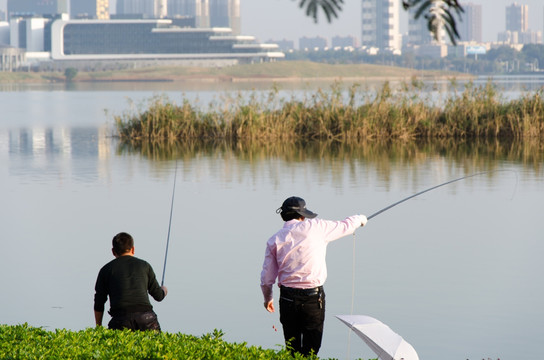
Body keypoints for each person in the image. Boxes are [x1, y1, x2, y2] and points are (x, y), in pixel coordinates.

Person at [260, 196, 367, 356]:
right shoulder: (317, 227)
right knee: (311, 350)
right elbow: (346, 225)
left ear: (284, 216)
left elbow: (266, 279)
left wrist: (268, 299)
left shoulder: (274, 239)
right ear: (303, 216)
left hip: (287, 299)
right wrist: (361, 219)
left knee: (292, 349)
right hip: (313, 298)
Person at [94, 232, 168, 331]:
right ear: (133, 249)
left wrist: (98, 327)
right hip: (147, 319)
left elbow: (99, 302)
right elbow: (158, 296)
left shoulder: (106, 270)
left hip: (120, 320)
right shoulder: (145, 266)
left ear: (113, 251)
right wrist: (164, 290)